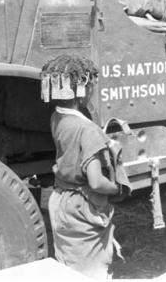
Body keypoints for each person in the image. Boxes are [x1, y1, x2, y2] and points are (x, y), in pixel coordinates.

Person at [40, 54, 125, 278]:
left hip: (60, 202)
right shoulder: (88, 130)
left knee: (69, 269)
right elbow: (96, 182)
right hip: (82, 208)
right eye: (92, 85)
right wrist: (117, 188)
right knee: (91, 273)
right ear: (83, 90)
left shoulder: (56, 117)